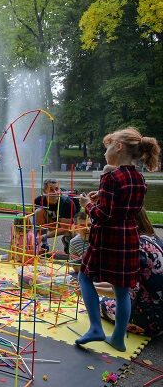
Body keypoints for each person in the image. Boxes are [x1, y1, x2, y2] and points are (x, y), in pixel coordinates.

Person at [76, 127, 160, 352]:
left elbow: (103, 216)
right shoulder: (139, 177)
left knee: (84, 277)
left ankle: (95, 327)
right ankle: (118, 338)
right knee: (122, 291)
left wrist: (88, 205)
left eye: (108, 146)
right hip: (129, 237)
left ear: (119, 147)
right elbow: (124, 205)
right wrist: (101, 195)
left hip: (107, 239)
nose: (106, 152)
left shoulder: (111, 175)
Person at [95, 208, 163, 337]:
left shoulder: (134, 249)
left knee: (97, 303)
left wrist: (93, 290)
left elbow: (124, 293)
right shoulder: (153, 240)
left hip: (151, 320)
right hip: (157, 306)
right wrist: (95, 286)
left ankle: (119, 336)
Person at [33, 178, 80, 251]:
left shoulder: (67, 203)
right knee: (38, 212)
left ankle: (68, 241)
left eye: (57, 189)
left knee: (71, 231)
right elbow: (34, 222)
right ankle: (44, 244)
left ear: (60, 190)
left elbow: (65, 228)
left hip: (70, 226)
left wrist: (44, 236)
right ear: (45, 191)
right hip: (53, 222)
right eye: (51, 190)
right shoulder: (38, 200)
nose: (55, 192)